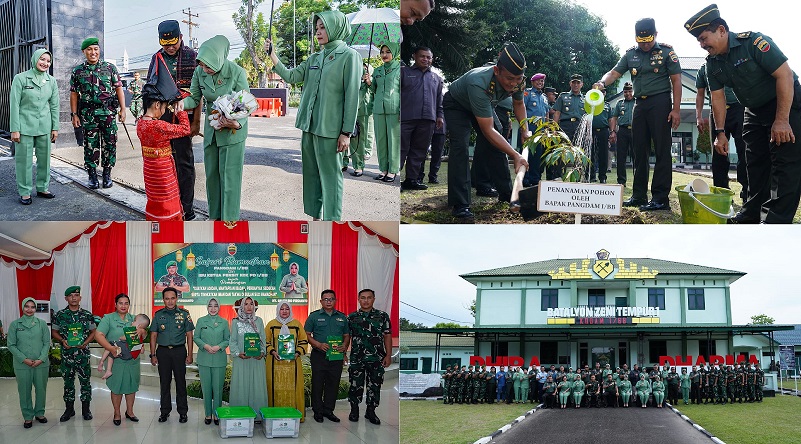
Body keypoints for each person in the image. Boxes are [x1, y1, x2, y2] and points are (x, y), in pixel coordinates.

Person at [686, 4, 801, 223]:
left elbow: (785, 76)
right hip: (753, 110)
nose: (702, 45)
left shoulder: (754, 43)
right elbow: (717, 98)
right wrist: (720, 132)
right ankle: (750, 216)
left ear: (721, 30)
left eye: (703, 38)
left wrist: (782, 120)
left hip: (784, 102)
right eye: (699, 41)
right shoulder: (712, 63)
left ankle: (775, 222)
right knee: (754, 166)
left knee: (784, 166)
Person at [267, 11, 360, 221]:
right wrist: (273, 54)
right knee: (311, 175)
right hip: (309, 126)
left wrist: (346, 132)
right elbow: (291, 76)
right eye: (317, 28)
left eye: (323, 28)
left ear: (335, 28)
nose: (318, 32)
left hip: (331, 129)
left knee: (330, 177)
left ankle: (332, 221)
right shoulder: (314, 58)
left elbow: (352, 96)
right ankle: (315, 218)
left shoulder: (349, 56)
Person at [596, 18, 682, 211]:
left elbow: (676, 80)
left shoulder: (667, 52)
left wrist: (676, 109)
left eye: (648, 40)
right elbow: (614, 73)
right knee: (639, 150)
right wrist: (602, 83)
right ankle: (639, 195)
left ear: (656, 35)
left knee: (661, 149)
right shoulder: (630, 55)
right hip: (639, 105)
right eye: (640, 40)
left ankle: (660, 198)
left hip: (660, 102)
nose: (644, 44)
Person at [443, 42, 530, 218]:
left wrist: (524, 130)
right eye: (509, 79)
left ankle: (507, 194)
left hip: (483, 105)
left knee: (497, 145)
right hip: (457, 104)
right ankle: (460, 204)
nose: (514, 84)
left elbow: (519, 103)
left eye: (518, 79)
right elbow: (488, 130)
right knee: (460, 146)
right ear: (497, 71)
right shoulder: (479, 82)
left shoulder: (519, 80)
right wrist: (515, 154)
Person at [182, 35, 249, 221]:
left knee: (229, 179)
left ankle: (229, 221)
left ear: (219, 59)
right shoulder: (199, 72)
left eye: (208, 65)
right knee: (212, 176)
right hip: (212, 129)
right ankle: (215, 217)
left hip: (232, 129)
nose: (204, 69)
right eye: (202, 64)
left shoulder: (236, 72)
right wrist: (181, 104)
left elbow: (246, 103)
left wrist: (235, 122)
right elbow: (194, 98)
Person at [148, 20, 201, 220]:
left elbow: (199, 94)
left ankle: (187, 209)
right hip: (162, 117)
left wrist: (196, 122)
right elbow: (151, 89)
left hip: (183, 118)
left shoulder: (192, 57)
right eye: (165, 44)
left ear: (180, 37)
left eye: (173, 43)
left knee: (184, 163)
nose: (170, 48)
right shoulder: (157, 58)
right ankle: (169, 206)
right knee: (162, 162)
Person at [70, 37, 126, 189]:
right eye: (89, 50)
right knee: (90, 145)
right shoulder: (78, 71)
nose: (93, 52)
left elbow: (118, 88)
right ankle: (92, 175)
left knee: (110, 143)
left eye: (95, 49)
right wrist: (74, 114)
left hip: (108, 113)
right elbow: (74, 94)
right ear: (84, 52)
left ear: (99, 50)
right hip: (88, 114)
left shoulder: (110, 68)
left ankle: (107, 174)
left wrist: (123, 109)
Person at [10, 48, 59, 205]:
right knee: (24, 161)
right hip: (24, 127)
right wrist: (14, 129)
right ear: (35, 59)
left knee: (44, 160)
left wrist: (55, 127)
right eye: (42, 59)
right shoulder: (21, 78)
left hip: (44, 126)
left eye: (48, 61)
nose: (45, 63)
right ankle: (24, 192)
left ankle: (42, 187)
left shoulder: (51, 81)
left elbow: (54, 106)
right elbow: (14, 105)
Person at [136, 90, 191, 221]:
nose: (164, 110)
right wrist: (181, 112)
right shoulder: (158, 125)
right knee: (167, 199)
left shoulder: (140, 123)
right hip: (163, 170)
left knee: (154, 198)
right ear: (157, 105)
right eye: (164, 107)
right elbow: (185, 129)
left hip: (150, 170)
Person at [695, 62, 746, 195]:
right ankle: (721, 191)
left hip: (738, 108)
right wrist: (698, 116)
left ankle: (747, 191)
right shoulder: (703, 69)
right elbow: (700, 94)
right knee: (718, 154)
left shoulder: (732, 61)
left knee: (744, 150)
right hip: (717, 112)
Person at [95, 294, 143, 425]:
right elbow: (98, 335)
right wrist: (110, 348)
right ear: (115, 304)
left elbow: (144, 334)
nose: (123, 306)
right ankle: (117, 412)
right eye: (120, 303)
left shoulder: (134, 319)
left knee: (131, 386)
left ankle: (130, 412)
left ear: (129, 305)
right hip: (115, 360)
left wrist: (141, 331)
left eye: (126, 303)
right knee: (116, 387)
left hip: (133, 359)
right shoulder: (108, 318)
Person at [51, 286, 96, 421]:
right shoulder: (60, 315)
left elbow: (93, 332)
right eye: (71, 296)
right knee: (68, 383)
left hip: (82, 355)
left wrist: (85, 342)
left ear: (80, 298)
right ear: (66, 298)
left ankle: (86, 410)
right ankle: (69, 410)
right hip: (67, 355)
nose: (74, 298)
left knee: (85, 383)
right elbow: (54, 332)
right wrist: (62, 340)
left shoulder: (87, 315)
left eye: (76, 295)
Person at [400, 46, 443, 191]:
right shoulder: (404, 72)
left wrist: (439, 116)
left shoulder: (436, 78)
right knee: (401, 148)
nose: (425, 59)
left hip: (428, 119)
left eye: (428, 57)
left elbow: (439, 100)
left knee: (419, 151)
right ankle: (393, 177)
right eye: (422, 56)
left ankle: (411, 180)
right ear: (415, 56)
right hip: (406, 118)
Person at [304, 289, 351, 422]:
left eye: (331, 299)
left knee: (333, 384)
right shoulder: (313, 316)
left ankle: (328, 411)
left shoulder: (342, 317)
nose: (328, 301)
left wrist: (345, 347)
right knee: (318, 384)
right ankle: (318, 412)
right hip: (319, 355)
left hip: (336, 356)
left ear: (335, 301)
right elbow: (306, 335)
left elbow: (346, 335)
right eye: (326, 299)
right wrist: (318, 344)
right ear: (321, 301)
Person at [150, 287, 194, 423]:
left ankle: (183, 412)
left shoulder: (185, 314)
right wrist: (152, 354)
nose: (170, 301)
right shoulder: (158, 315)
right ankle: (164, 411)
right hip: (162, 352)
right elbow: (153, 335)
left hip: (179, 351)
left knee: (181, 382)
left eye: (172, 298)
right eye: (167, 298)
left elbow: (189, 335)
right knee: (164, 383)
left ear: (177, 298)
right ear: (163, 299)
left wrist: (190, 354)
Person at [347, 289, 392, 424]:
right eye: (363, 298)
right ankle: (354, 410)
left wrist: (388, 355)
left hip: (376, 358)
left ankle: (371, 411)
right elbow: (346, 337)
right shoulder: (351, 317)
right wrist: (344, 354)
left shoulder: (382, 316)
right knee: (355, 385)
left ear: (374, 299)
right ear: (358, 299)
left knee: (375, 385)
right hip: (357, 358)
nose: (366, 300)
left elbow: (387, 336)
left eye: (369, 298)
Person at [8, 297, 50, 428]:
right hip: (22, 365)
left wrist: (41, 358)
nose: (29, 309)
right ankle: (27, 416)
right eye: (27, 306)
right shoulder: (15, 325)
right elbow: (11, 345)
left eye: (32, 307)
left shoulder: (41, 323)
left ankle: (39, 413)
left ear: (35, 308)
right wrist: (24, 359)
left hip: (41, 364)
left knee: (41, 390)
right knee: (24, 391)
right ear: (22, 307)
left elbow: (46, 343)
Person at [265, 301, 309, 422]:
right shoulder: (271, 325)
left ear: (290, 310)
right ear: (278, 310)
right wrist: (273, 352)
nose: (284, 311)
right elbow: (265, 342)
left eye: (287, 309)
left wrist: (297, 353)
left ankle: (294, 416)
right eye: (282, 309)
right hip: (274, 364)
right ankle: (274, 416)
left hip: (293, 364)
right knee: (273, 388)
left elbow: (303, 341)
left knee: (294, 388)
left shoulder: (297, 324)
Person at [229, 297, 269, 417]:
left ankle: (257, 415)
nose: (249, 307)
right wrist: (237, 353)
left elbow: (263, 339)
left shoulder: (259, 321)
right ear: (241, 306)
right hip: (241, 360)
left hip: (256, 361)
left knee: (257, 386)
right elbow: (233, 341)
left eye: (251, 304)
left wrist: (262, 352)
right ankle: (240, 414)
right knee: (241, 386)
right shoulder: (236, 322)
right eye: (245, 304)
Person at [193, 298, 230, 425]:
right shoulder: (201, 321)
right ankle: (208, 414)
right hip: (204, 359)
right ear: (207, 307)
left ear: (219, 307)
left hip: (219, 359)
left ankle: (216, 414)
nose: (213, 308)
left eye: (215, 306)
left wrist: (219, 346)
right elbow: (196, 337)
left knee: (218, 389)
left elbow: (227, 339)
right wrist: (205, 346)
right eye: (210, 306)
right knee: (206, 388)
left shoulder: (224, 322)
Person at [368, 43, 401, 184]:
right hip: (378, 110)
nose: (384, 55)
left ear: (394, 53)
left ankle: (393, 170)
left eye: (388, 52)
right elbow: (374, 89)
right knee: (381, 140)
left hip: (394, 110)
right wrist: (369, 82)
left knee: (393, 141)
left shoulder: (400, 69)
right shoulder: (377, 71)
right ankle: (383, 170)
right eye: (382, 52)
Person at [551, 74, 586, 180]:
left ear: (582, 85)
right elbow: (557, 113)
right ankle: (558, 176)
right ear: (570, 83)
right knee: (562, 150)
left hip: (579, 126)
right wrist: (554, 129)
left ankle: (577, 176)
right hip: (565, 125)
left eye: (578, 83)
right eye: (573, 82)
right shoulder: (563, 96)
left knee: (578, 151)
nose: (575, 85)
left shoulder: (585, 99)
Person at [96, 313, 149, 379]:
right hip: (130, 355)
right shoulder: (140, 336)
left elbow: (122, 338)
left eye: (134, 321)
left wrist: (121, 338)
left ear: (139, 325)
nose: (132, 322)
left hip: (125, 351)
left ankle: (105, 365)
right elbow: (142, 351)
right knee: (112, 350)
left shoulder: (133, 332)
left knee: (110, 347)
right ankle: (105, 366)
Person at [345, 62, 374, 177]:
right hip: (347, 110)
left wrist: (367, 82)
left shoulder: (370, 81)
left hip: (362, 112)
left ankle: (358, 166)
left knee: (358, 140)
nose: (362, 70)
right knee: (345, 137)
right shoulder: (351, 76)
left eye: (365, 68)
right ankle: (343, 162)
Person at [522, 73, 550, 186]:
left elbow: (546, 113)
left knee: (537, 155)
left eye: (542, 81)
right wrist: (523, 129)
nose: (540, 83)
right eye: (538, 81)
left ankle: (535, 179)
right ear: (532, 82)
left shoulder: (544, 97)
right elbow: (521, 109)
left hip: (541, 130)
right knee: (526, 154)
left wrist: (547, 127)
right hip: (529, 128)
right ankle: (525, 179)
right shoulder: (527, 93)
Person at [610, 82, 635, 186]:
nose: (628, 93)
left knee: (637, 157)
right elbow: (614, 118)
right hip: (623, 131)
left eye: (630, 91)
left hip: (636, 131)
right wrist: (613, 132)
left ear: (633, 91)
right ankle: (621, 181)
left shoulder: (638, 102)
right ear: (623, 92)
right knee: (621, 157)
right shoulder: (619, 103)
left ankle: (638, 181)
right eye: (625, 92)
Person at [590, 84, 612, 183]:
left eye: (603, 92)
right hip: (592, 130)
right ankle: (592, 175)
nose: (602, 93)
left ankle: (602, 177)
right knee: (591, 154)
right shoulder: (590, 103)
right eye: (600, 91)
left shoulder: (607, 105)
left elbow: (611, 119)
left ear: (605, 93)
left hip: (604, 131)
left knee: (603, 155)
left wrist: (612, 132)